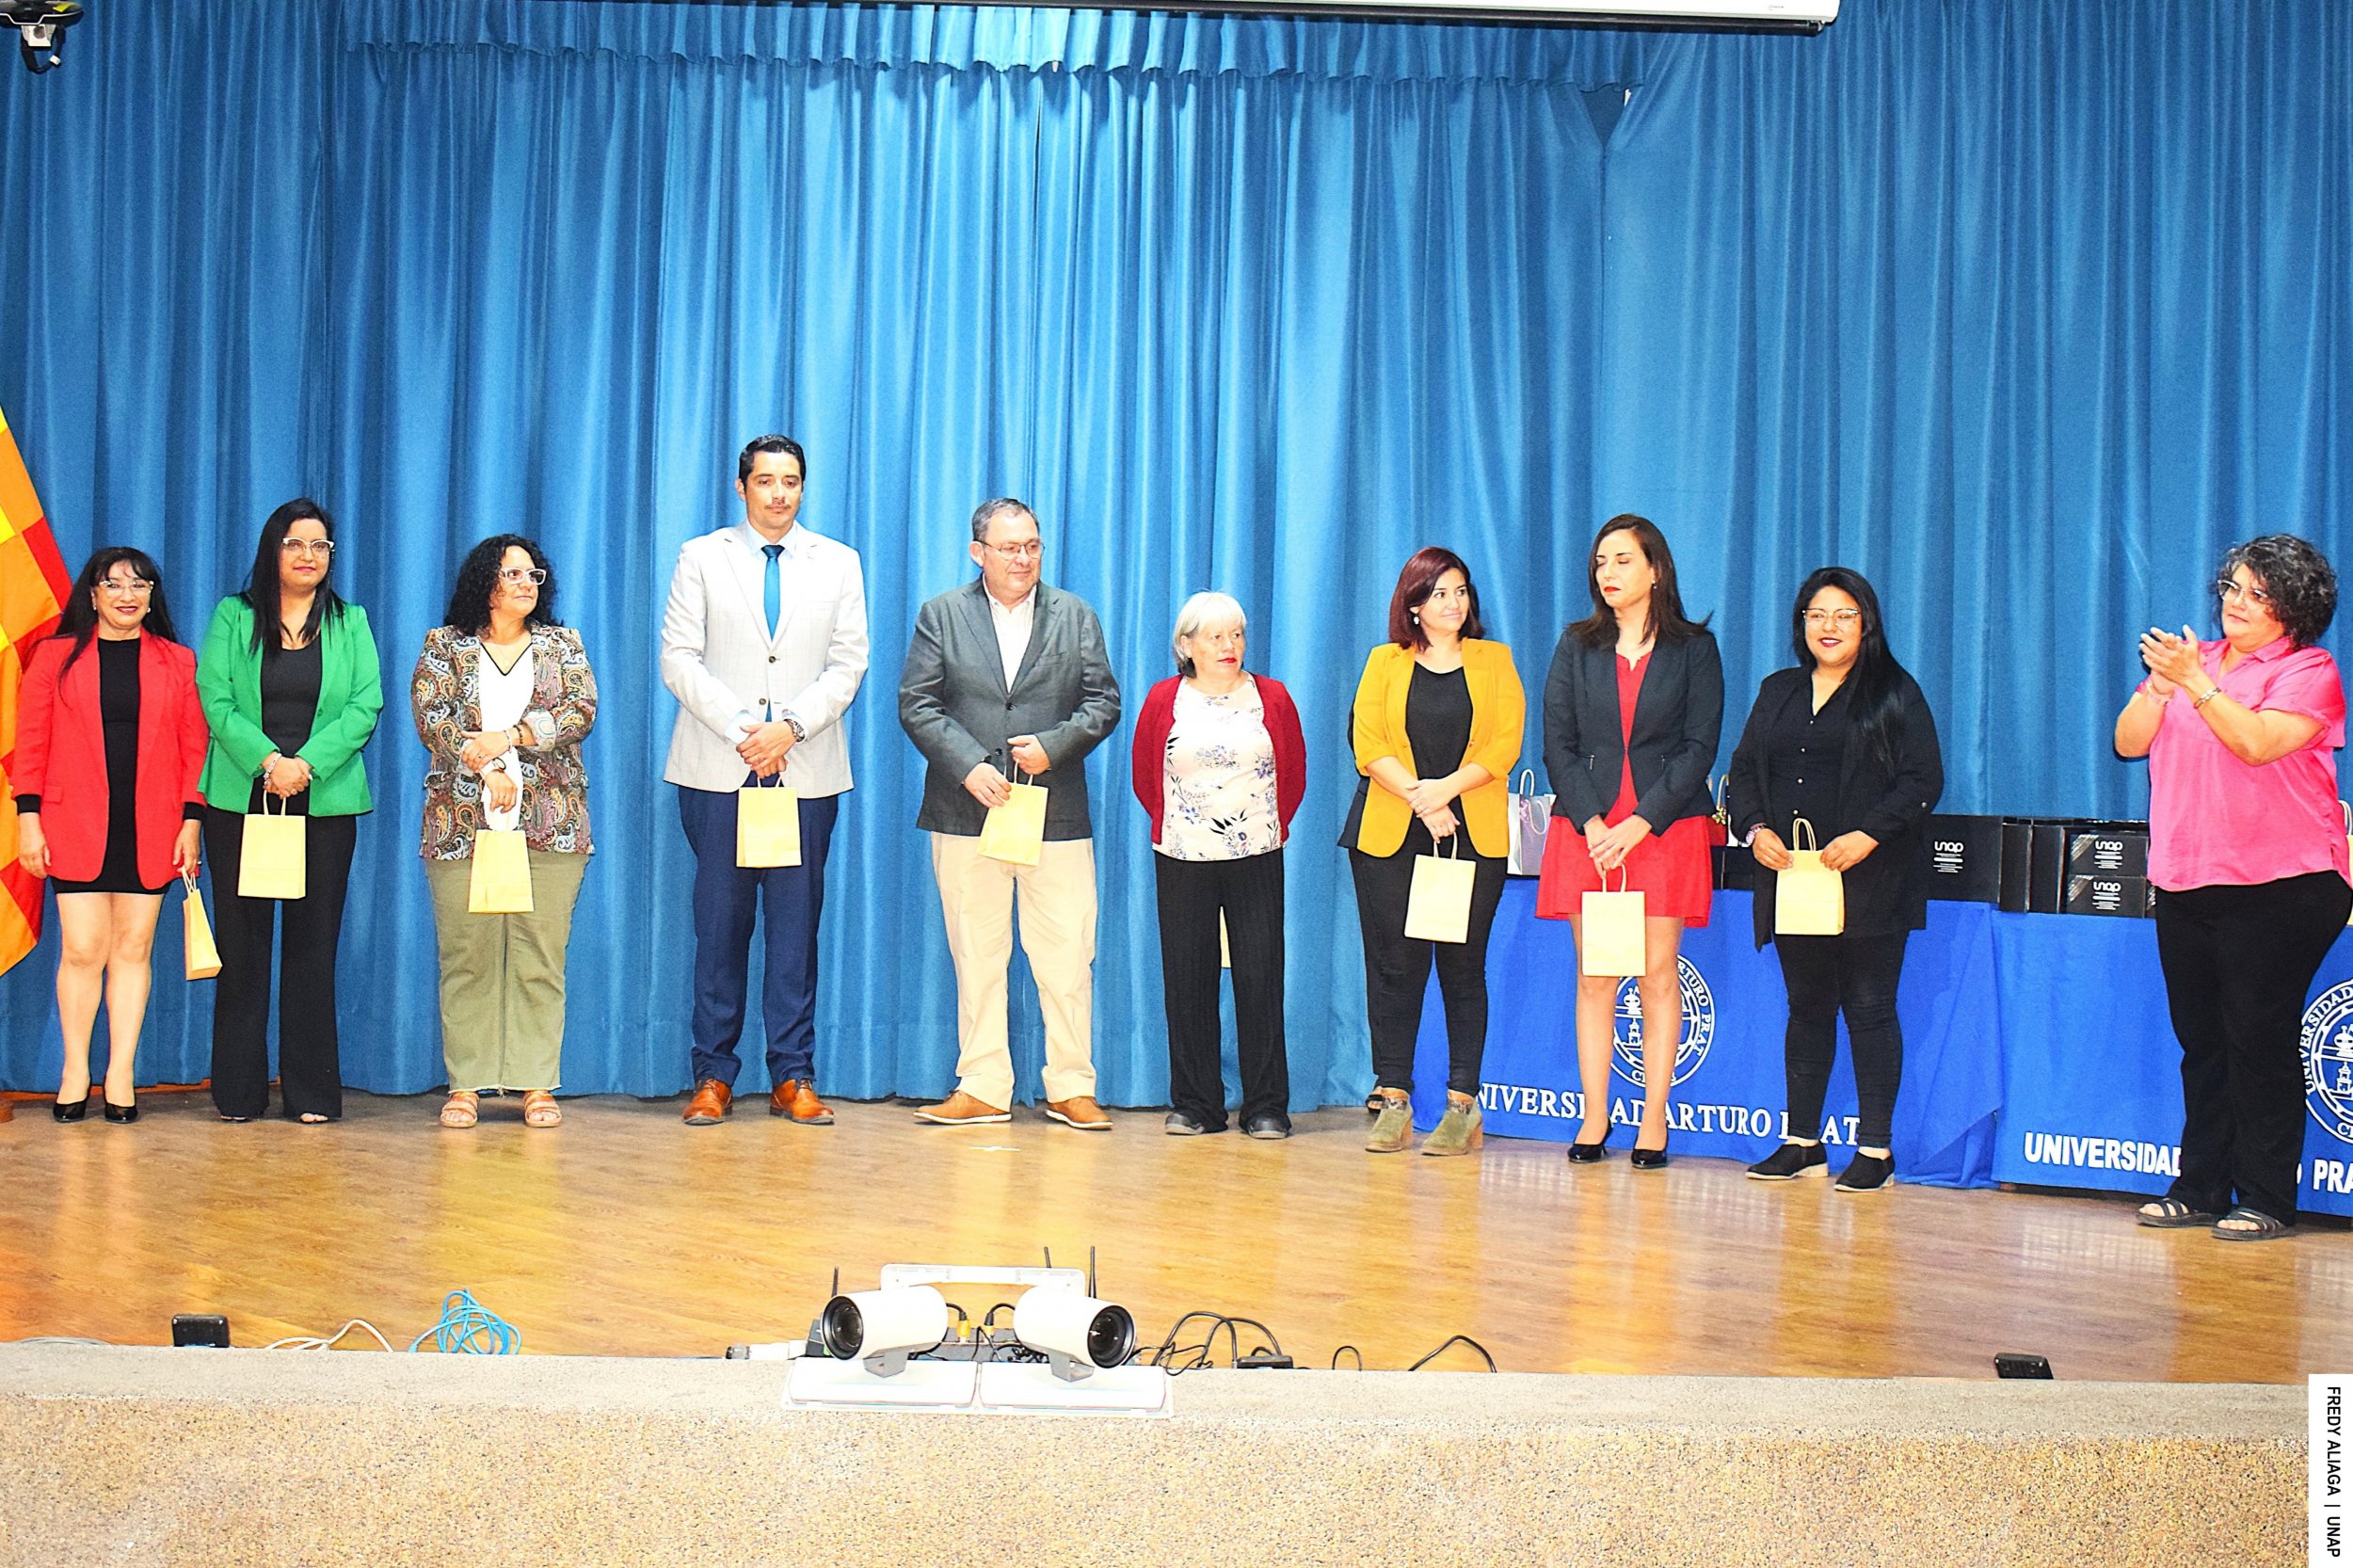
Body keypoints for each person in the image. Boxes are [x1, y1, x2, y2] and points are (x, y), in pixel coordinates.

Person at [2118, 535, 2349, 1241]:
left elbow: (2254, 743)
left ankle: (2268, 1197)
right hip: (2188, 876)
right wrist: (2163, 686)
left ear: (2293, 608)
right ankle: (2199, 1187)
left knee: (2257, 1035)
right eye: (2232, 587)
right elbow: (2128, 742)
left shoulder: (2309, 669)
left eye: (2257, 593)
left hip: (2284, 883)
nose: (2236, 602)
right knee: (2203, 1041)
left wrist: (2194, 683)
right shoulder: (2196, 661)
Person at [660, 435, 869, 1127]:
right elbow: (679, 658)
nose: (780, 493)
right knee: (720, 927)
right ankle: (713, 1076)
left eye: (791, 481)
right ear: (742, 486)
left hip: (804, 772)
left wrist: (791, 729)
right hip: (720, 768)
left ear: (803, 487)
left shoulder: (839, 561)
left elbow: (848, 663)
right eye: (766, 481)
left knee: (795, 931)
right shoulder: (701, 556)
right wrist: (746, 730)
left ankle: (793, 1074)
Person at [899, 498, 1121, 1129]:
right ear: (979, 552)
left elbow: (1104, 702)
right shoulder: (941, 614)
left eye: (1032, 546)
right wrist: (968, 764)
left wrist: (1054, 747)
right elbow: (917, 703)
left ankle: (1072, 1086)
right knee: (977, 954)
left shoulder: (1075, 614)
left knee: (1067, 955)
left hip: (1055, 814)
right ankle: (983, 1086)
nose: (1023, 558)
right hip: (966, 810)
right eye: (1009, 547)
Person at [1726, 568, 1943, 1192]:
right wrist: (1755, 829)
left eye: (1844, 615)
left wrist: (1868, 834)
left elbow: (1923, 780)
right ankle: (1803, 1143)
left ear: (1866, 623)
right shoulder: (1778, 691)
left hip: (1871, 879)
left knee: (1870, 1008)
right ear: (1801, 623)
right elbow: (1743, 773)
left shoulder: (1893, 692)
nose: (1829, 626)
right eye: (1817, 614)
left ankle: (1875, 1149)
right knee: (1807, 1007)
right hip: (1795, 880)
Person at [1538, 515, 1721, 1170]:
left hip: (1661, 829)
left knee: (1655, 975)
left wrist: (1641, 823)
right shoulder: (1576, 644)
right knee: (1595, 977)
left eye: (1622, 560)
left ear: (1655, 570)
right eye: (1600, 562)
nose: (1607, 573)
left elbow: (1700, 747)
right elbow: (1556, 744)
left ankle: (1652, 1120)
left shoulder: (1694, 648)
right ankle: (1595, 1117)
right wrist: (1593, 823)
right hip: (1587, 832)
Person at [195, 500, 385, 1124]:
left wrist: (306, 765)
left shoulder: (351, 621)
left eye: (320, 545)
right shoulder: (234, 615)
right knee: (243, 948)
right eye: (295, 543)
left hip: (323, 803)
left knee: (312, 947)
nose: (308, 555)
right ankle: (238, 1091)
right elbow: (215, 697)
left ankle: (311, 1092)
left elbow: (365, 705)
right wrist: (268, 761)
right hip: (241, 801)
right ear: (272, 549)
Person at [12, 548, 207, 1123]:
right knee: (82, 950)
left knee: (133, 949)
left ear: (152, 597)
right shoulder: (53, 657)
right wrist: (28, 819)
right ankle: (75, 1072)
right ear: (92, 594)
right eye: (114, 584)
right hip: (71, 823)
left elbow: (194, 747)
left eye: (139, 585)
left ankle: (120, 1074)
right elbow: (31, 742)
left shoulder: (178, 661)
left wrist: (191, 822)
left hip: (153, 827)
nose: (127, 595)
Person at [413, 536, 598, 1129]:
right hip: (460, 824)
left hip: (551, 824)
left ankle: (535, 1083)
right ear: (483, 581)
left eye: (533, 574)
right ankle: (466, 1084)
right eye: (512, 573)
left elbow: (580, 711)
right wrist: (485, 764)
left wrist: (510, 737)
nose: (525, 583)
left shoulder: (562, 645)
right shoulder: (445, 646)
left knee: (539, 956)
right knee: (467, 956)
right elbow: (433, 717)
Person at [1348, 547, 1524, 1158]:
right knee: (1394, 967)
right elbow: (1368, 745)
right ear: (1414, 604)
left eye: (1461, 591)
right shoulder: (1384, 662)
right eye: (1439, 592)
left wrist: (1444, 791)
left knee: (1461, 967)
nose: (1454, 603)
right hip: (1392, 834)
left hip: (1470, 835)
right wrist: (1423, 801)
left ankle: (1462, 1105)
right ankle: (1393, 1096)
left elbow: (1504, 745)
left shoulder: (1495, 660)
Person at [1129, 592, 1306, 1138]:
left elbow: (1294, 771)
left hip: (1256, 855)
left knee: (1260, 977)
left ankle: (1266, 1106)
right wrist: (1178, 826)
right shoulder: (1164, 699)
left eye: (1237, 634)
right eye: (1215, 637)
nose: (1229, 646)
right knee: (1188, 980)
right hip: (1183, 857)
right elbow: (1145, 774)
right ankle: (1196, 1104)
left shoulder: (1272, 697)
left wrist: (1268, 828)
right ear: (1187, 645)